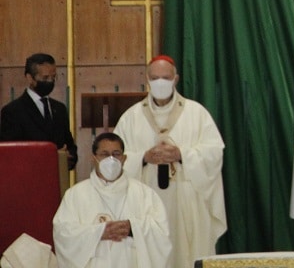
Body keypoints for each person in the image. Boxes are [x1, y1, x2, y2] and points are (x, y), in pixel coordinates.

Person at [113, 55, 226, 268]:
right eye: (154, 78)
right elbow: (116, 158)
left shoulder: (196, 113)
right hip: (146, 201)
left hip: (186, 200)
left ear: (176, 79)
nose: (160, 83)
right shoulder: (131, 117)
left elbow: (214, 153)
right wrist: (143, 158)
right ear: (147, 79)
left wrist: (182, 155)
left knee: (186, 254)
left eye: (165, 78)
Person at [53, 132, 171, 268]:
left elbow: (162, 233)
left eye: (116, 154)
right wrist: (99, 233)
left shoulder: (144, 194)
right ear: (93, 158)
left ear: (124, 158)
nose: (111, 159)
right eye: (104, 154)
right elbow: (63, 234)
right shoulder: (75, 195)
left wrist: (132, 229)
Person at [0, 53, 79, 169]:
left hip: (57, 179)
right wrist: (51, 157)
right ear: (30, 78)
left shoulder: (60, 109)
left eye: (53, 77)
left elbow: (70, 146)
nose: (50, 82)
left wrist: (68, 157)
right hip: (28, 179)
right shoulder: (13, 111)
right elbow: (11, 153)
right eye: (45, 78)